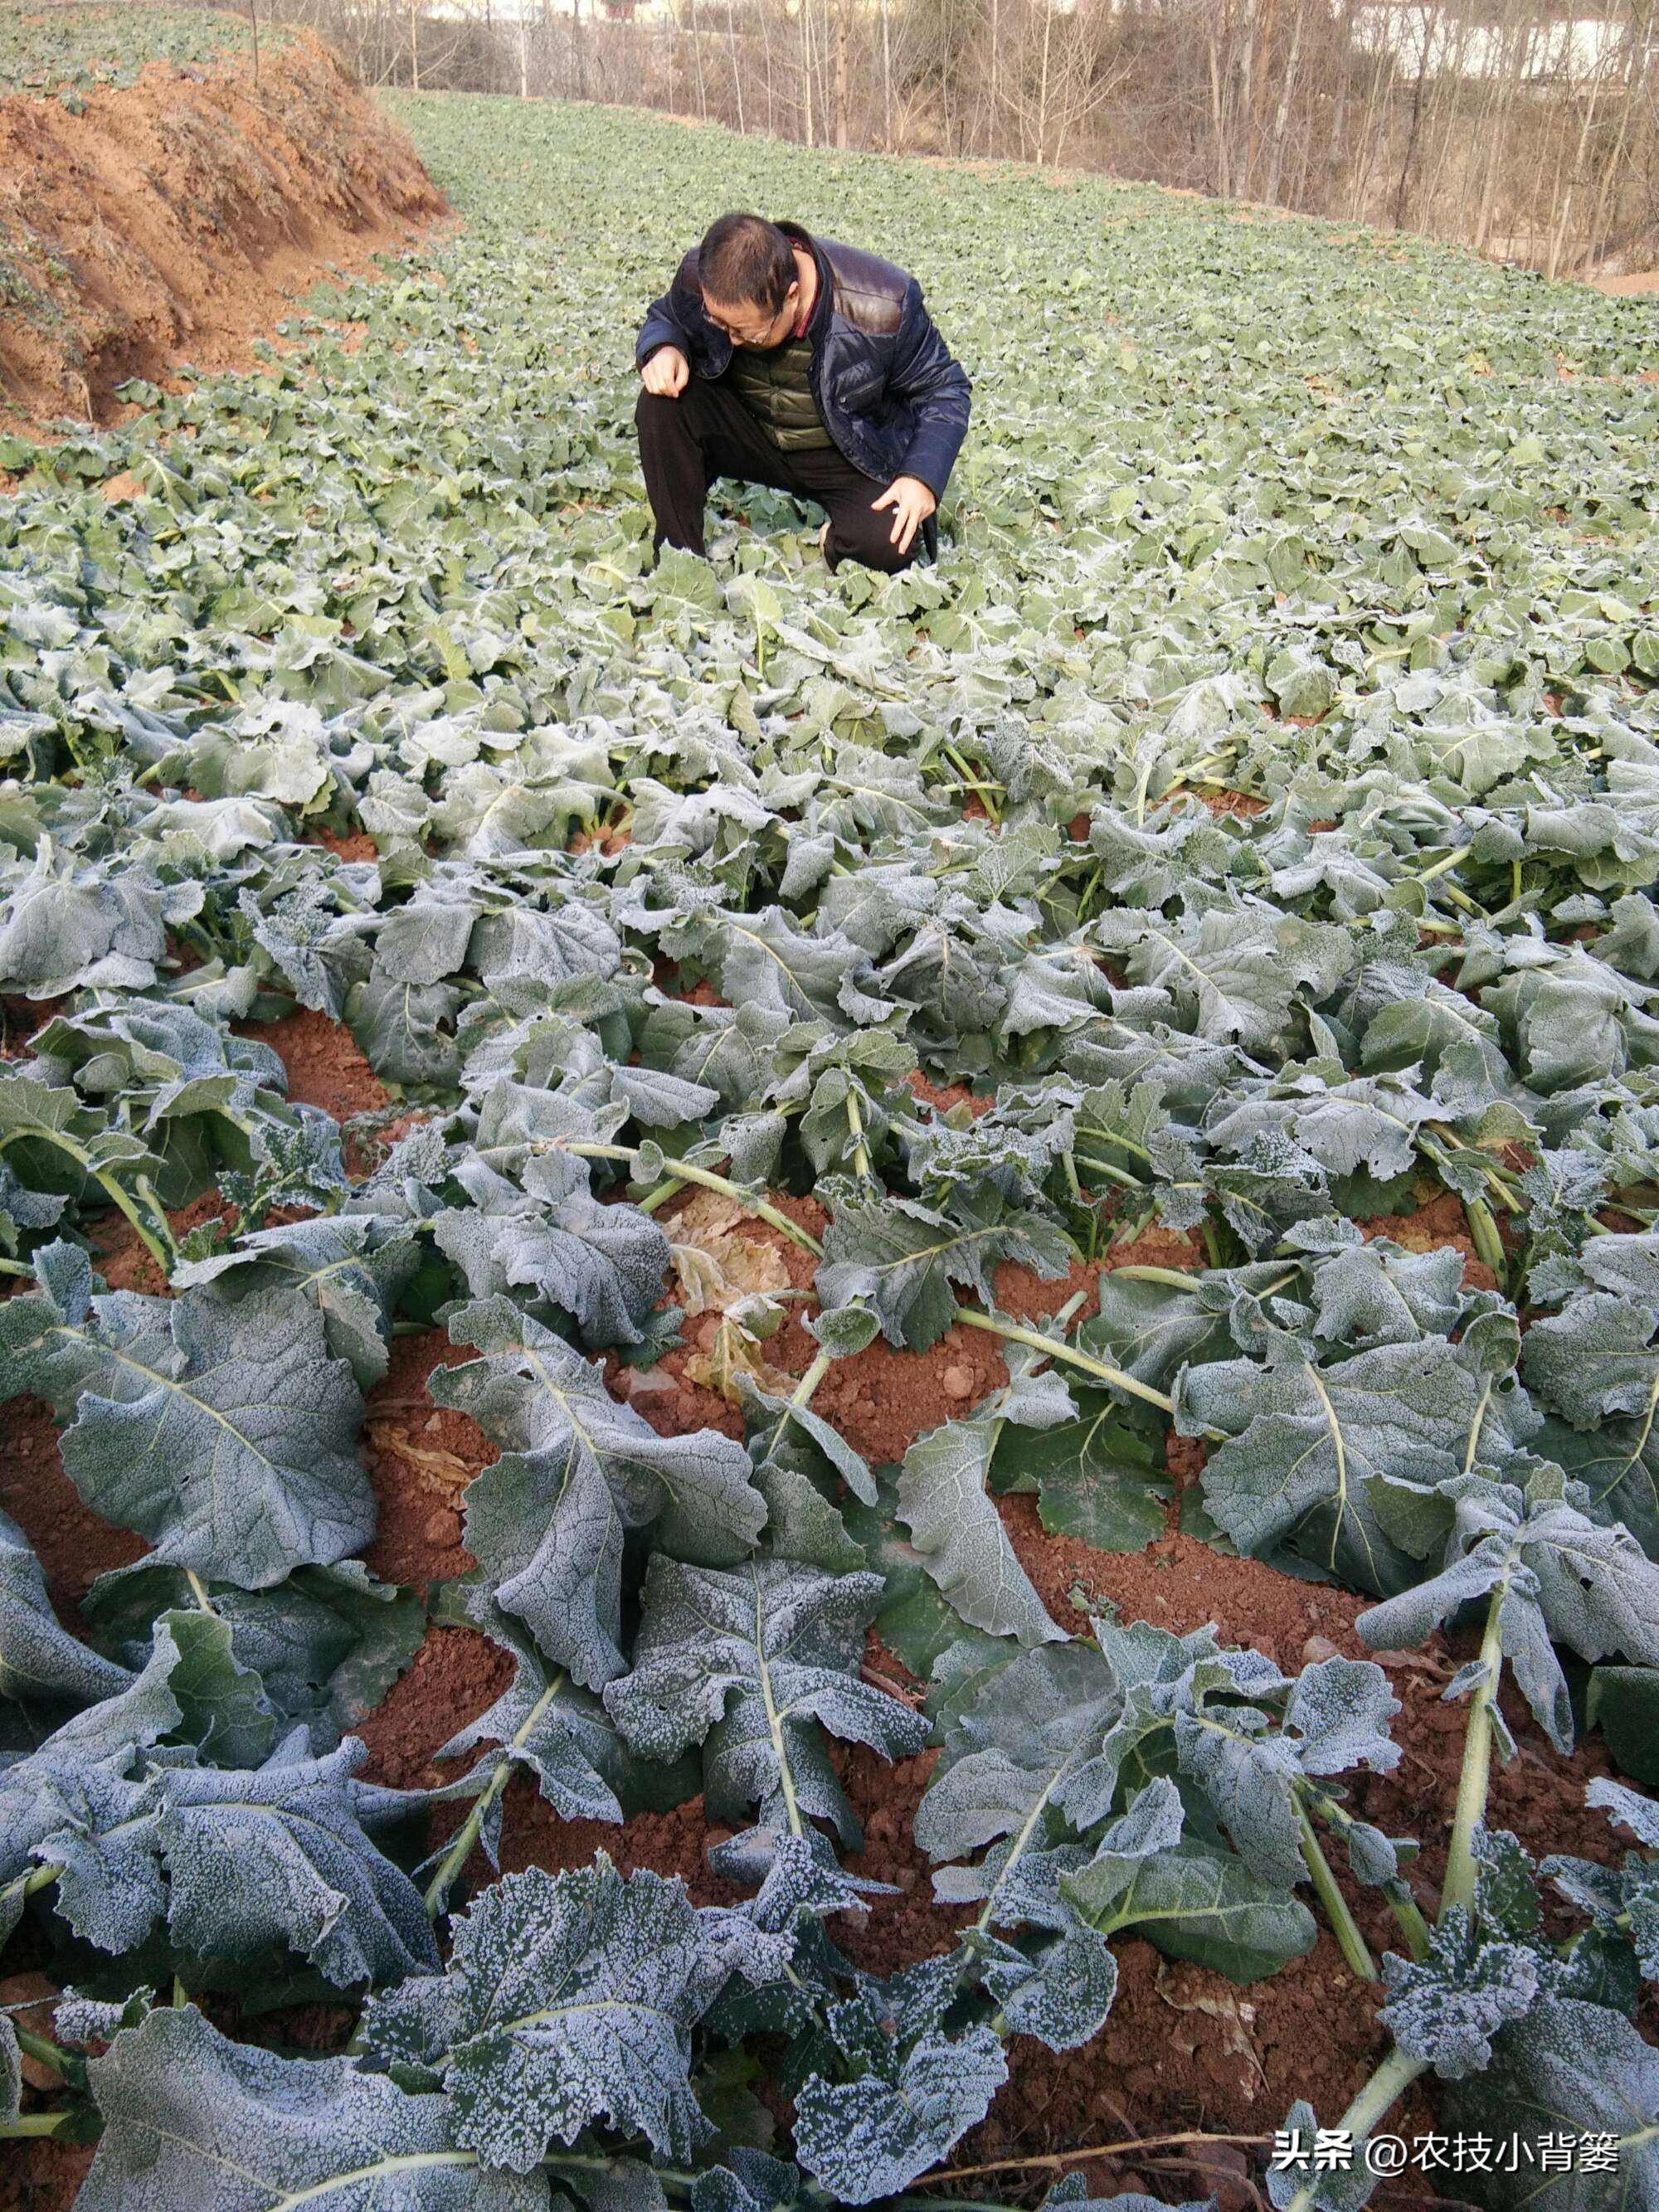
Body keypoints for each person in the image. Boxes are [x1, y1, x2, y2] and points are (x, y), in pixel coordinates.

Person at [635, 211, 971, 573]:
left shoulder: (884, 303)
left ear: (791, 296)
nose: (730, 339)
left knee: (891, 543)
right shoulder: (704, 277)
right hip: (753, 431)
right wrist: (664, 347)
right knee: (662, 404)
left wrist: (920, 478)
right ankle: (679, 558)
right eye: (721, 324)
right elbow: (667, 316)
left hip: (843, 450)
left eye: (747, 332)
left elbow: (945, 389)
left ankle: (834, 542)